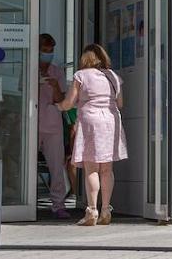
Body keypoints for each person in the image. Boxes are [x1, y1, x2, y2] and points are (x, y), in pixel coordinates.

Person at [58, 43, 127, 226]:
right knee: (107, 169)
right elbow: (120, 103)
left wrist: (58, 106)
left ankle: (92, 211)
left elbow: (69, 103)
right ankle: (106, 209)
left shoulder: (81, 76)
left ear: (84, 58)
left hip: (91, 122)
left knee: (92, 168)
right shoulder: (113, 76)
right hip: (111, 122)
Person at [37, 33, 70, 219]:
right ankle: (24, 202)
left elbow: (61, 100)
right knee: (26, 164)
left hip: (52, 124)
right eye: (44, 50)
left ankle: (58, 205)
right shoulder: (30, 68)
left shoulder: (57, 72)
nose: (48, 54)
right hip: (33, 123)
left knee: (56, 166)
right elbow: (22, 93)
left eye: (50, 51)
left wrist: (55, 86)